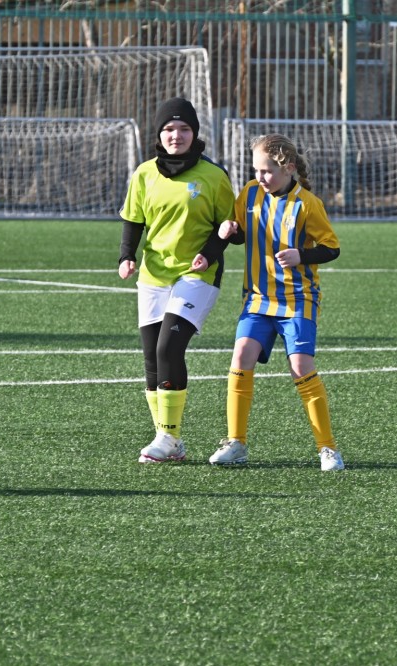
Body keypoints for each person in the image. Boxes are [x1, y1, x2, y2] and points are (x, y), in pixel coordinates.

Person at [209, 133, 344, 471]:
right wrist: (230, 230)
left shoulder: (307, 204)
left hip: (298, 299)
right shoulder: (250, 193)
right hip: (258, 298)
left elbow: (331, 248)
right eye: (256, 170)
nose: (260, 177)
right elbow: (242, 233)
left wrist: (302, 255)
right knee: (241, 355)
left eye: (267, 171)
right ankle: (236, 442)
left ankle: (328, 449)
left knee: (300, 366)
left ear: (289, 169)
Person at [118, 97, 236, 463]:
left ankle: (166, 438)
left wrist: (211, 251)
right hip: (154, 273)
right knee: (152, 357)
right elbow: (133, 219)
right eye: (169, 129)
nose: (176, 135)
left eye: (184, 129)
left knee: (169, 349)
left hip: (197, 275)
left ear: (195, 133)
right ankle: (171, 441)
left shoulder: (213, 175)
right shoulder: (144, 174)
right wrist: (126, 255)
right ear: (158, 134)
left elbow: (230, 227)